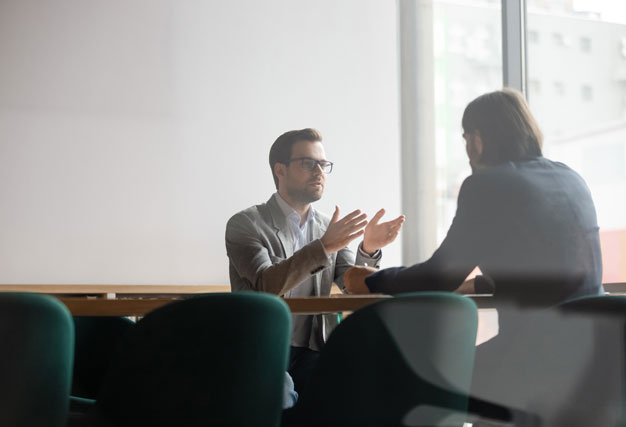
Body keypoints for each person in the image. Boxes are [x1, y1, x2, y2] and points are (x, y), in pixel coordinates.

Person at [343, 88, 605, 424]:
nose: (466, 149)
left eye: (466, 137)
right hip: (597, 358)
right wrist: (480, 284)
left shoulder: (486, 185)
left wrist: (372, 280)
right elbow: (552, 264)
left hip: (535, 361)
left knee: (408, 383)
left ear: (478, 139)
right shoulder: (572, 179)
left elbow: (438, 276)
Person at [225, 128, 404, 396]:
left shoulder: (325, 227)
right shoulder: (246, 224)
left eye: (323, 164)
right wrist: (325, 246)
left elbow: (350, 284)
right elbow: (266, 284)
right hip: (261, 346)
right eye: (308, 163)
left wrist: (368, 249)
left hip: (317, 350)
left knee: (367, 381)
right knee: (281, 394)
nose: (319, 171)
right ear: (280, 170)